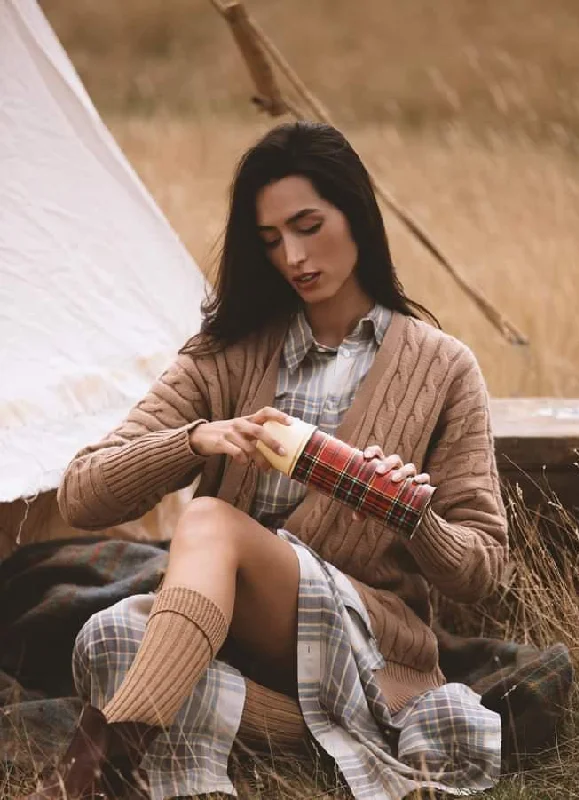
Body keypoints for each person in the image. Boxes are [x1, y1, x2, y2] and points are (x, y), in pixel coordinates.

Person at [23, 121, 508, 800]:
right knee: (108, 635)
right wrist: (193, 441)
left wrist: (414, 517)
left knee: (212, 522)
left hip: (365, 646)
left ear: (356, 214)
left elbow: (482, 570)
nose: (294, 256)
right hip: (236, 646)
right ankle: (313, 745)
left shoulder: (443, 367)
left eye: (309, 225)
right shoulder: (224, 353)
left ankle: (94, 770)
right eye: (271, 239)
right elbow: (82, 495)